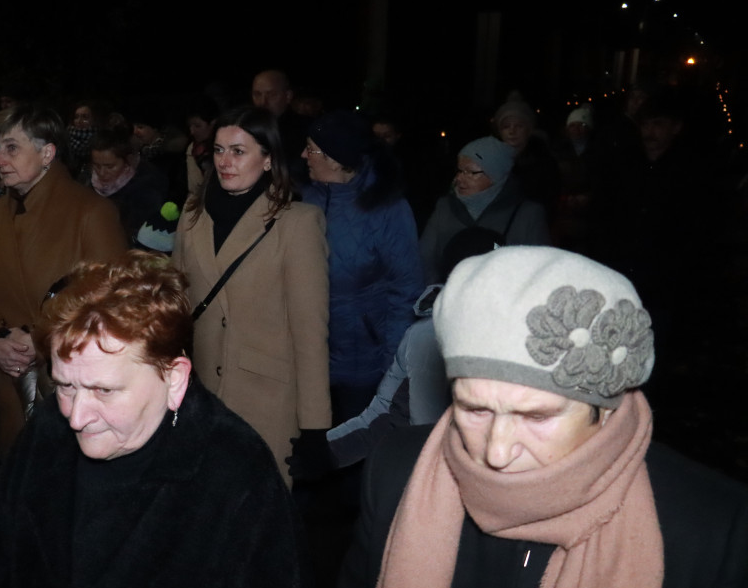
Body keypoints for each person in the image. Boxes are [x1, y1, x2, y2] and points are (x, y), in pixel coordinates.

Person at [326, 246, 748, 588]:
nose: (496, 452)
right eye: (475, 410)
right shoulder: (397, 472)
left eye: (537, 416)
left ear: (604, 408)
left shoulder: (712, 530)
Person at [0, 251, 315, 588]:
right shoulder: (48, 431)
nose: (76, 416)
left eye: (104, 390)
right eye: (66, 385)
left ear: (173, 379)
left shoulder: (237, 476)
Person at [171, 106, 331, 486]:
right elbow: (177, 308)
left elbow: (310, 333)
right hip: (201, 394)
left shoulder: (297, 223)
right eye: (219, 150)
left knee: (258, 523)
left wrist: (314, 428)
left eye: (239, 151)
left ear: (267, 159)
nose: (226, 162)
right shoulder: (193, 215)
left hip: (267, 400)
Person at [0, 104, 127, 460]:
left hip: (72, 393)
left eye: (11, 148)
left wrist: (40, 343)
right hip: (10, 389)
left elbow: (113, 310)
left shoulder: (92, 213)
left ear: (47, 153)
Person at [301, 110, 425, 425]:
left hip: (364, 362)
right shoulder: (303, 201)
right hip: (308, 356)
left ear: (336, 158)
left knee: (353, 448)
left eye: (312, 149)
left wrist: (392, 368)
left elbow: (405, 291)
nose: (303, 155)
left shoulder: (386, 208)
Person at [419, 135, 549, 284]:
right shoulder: (445, 207)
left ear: (496, 175)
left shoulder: (527, 214)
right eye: (460, 171)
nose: (460, 178)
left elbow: (539, 270)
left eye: (471, 172)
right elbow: (425, 259)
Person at [89, 127, 167, 245]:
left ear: (128, 161)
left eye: (110, 167)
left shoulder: (147, 191)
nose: (102, 173)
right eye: (96, 166)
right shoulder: (86, 181)